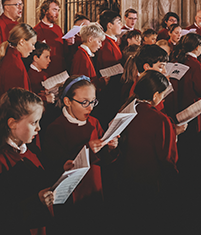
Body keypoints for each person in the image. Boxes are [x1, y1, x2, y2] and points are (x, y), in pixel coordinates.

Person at [42, 76, 118, 233]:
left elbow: (104, 161)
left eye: (93, 101)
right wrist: (86, 148)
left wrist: (111, 148)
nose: (90, 107)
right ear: (68, 102)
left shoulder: (94, 123)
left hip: (94, 187)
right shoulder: (56, 128)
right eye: (84, 102)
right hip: (72, 194)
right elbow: (53, 166)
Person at [0, 88, 59, 234]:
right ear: (12, 123)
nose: (39, 128)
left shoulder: (32, 151)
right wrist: (37, 202)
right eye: (34, 123)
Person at [116, 70, 182, 231]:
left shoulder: (127, 108)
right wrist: (174, 134)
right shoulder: (160, 119)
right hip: (152, 180)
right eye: (162, 94)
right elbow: (167, 158)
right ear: (155, 95)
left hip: (128, 175)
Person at [0, 23, 37, 96]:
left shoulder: (12, 57)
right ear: (22, 42)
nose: (34, 48)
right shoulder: (14, 65)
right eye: (32, 44)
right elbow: (18, 100)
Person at [33, 0, 71, 77]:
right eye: (54, 10)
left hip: (60, 71)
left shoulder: (58, 28)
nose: (57, 14)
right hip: (47, 73)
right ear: (44, 10)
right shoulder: (37, 30)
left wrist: (68, 43)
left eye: (58, 10)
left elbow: (63, 51)